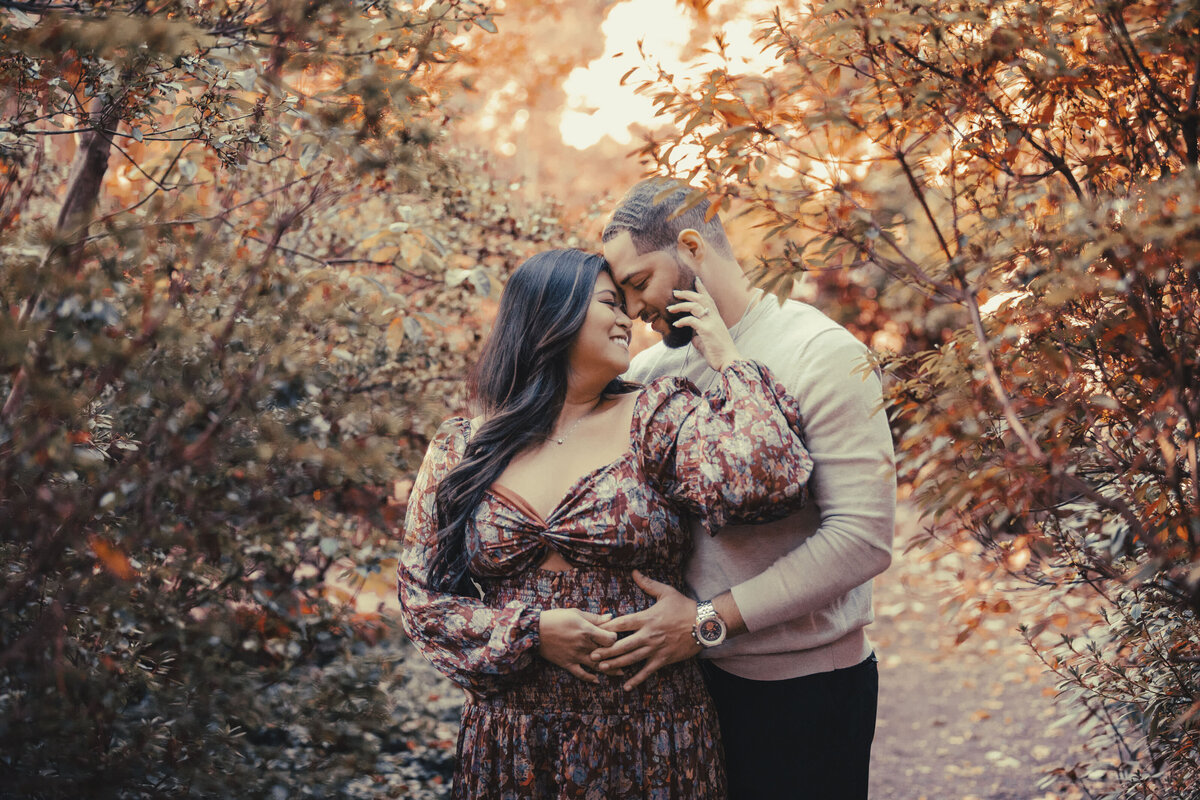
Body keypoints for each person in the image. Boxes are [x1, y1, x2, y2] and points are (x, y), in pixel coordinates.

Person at [397, 248, 815, 799]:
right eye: (609, 303)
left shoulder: (656, 416)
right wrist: (533, 633)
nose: (627, 319)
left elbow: (767, 480)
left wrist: (727, 357)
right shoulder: (462, 447)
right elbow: (420, 599)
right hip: (514, 744)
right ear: (552, 314)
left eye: (626, 304)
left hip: (651, 735)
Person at [593, 178, 896, 800]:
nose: (633, 310)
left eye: (639, 283)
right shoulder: (653, 371)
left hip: (805, 694)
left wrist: (706, 623)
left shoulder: (821, 353)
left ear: (690, 246)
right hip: (682, 692)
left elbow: (862, 541)